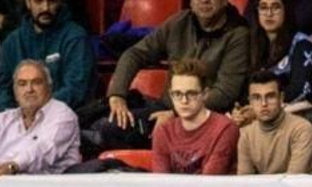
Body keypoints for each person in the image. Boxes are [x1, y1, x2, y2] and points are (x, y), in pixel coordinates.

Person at [99, 0, 250, 150]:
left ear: (224, 2)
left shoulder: (239, 33)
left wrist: (176, 114)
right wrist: (117, 95)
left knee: (115, 130)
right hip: (167, 107)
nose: (205, 1)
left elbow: (225, 93)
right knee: (108, 123)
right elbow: (134, 54)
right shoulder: (179, 22)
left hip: (207, 117)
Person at [0, 0, 91, 111]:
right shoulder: (12, 42)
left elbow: (75, 90)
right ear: (28, 3)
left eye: (52, 1)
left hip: (63, 117)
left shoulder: (75, 37)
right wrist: (14, 116)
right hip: (19, 120)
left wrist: (35, 111)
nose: (45, 8)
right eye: (38, 1)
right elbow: (4, 92)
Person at [150, 57, 239, 173]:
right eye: (177, 94)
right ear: (170, 95)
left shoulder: (225, 129)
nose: (184, 101)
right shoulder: (163, 131)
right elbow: (160, 182)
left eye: (191, 94)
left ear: (205, 94)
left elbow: (209, 183)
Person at [238, 0, 312, 119]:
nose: (269, 13)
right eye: (263, 7)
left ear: (286, 11)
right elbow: (243, 88)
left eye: (276, 7)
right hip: (257, 114)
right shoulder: (251, 44)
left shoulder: (302, 44)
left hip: (294, 116)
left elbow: (300, 91)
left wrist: (258, 108)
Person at [237, 69, 312, 172]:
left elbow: (294, 180)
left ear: (281, 98)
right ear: (250, 102)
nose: (264, 104)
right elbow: (244, 183)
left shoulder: (301, 129)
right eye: (257, 98)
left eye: (270, 96)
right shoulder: (246, 135)